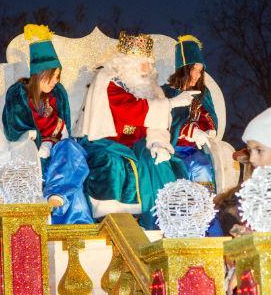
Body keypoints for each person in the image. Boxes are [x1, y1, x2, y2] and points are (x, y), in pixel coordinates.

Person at [73, 31, 192, 229]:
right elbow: (128, 110)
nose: (147, 68)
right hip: (105, 141)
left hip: (136, 143)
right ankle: (117, 222)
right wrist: (170, 103)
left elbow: (158, 123)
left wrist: (158, 142)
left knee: (157, 161)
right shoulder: (108, 80)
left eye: (149, 62)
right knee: (114, 163)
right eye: (141, 62)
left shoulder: (151, 87)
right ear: (126, 62)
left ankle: (173, 221)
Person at [2, 24, 92, 224]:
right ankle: (76, 223)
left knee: (71, 150)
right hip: (34, 153)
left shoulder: (58, 93)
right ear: (41, 72)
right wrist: (34, 138)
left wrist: (58, 142)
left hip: (60, 148)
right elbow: (13, 127)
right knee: (73, 183)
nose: (56, 81)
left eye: (58, 76)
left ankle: (56, 195)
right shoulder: (19, 92)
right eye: (53, 76)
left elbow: (65, 127)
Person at [161, 35, 218, 192]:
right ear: (184, 69)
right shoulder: (165, 92)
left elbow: (208, 116)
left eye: (200, 71)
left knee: (203, 167)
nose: (198, 75)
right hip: (170, 149)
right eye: (194, 69)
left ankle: (203, 212)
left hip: (193, 151)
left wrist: (208, 129)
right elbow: (164, 121)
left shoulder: (202, 94)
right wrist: (190, 131)